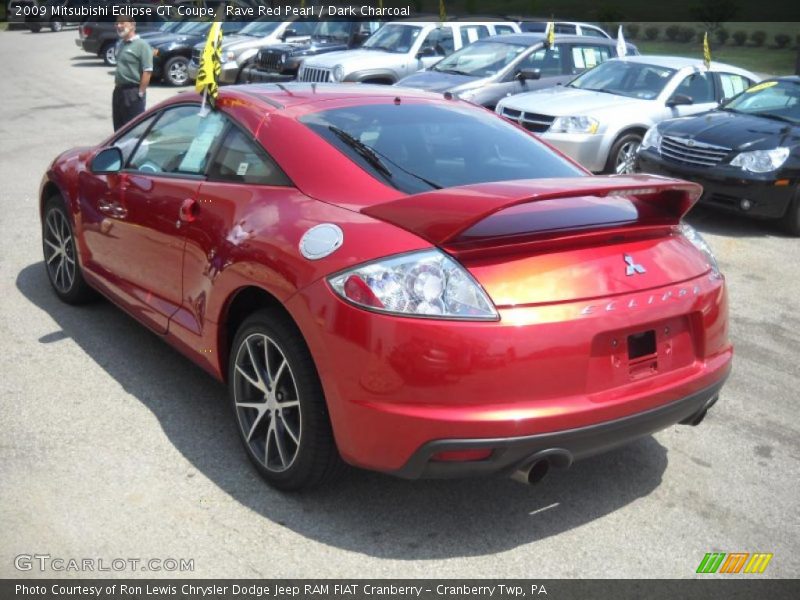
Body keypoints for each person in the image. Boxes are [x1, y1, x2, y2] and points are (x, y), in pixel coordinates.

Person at [112, 15, 153, 131]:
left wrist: (140, 93)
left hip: (132, 93)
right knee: (119, 131)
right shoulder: (121, 44)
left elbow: (147, 71)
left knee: (134, 130)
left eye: (122, 23)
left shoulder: (142, 45)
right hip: (119, 92)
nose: (118, 26)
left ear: (132, 25)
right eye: (116, 24)